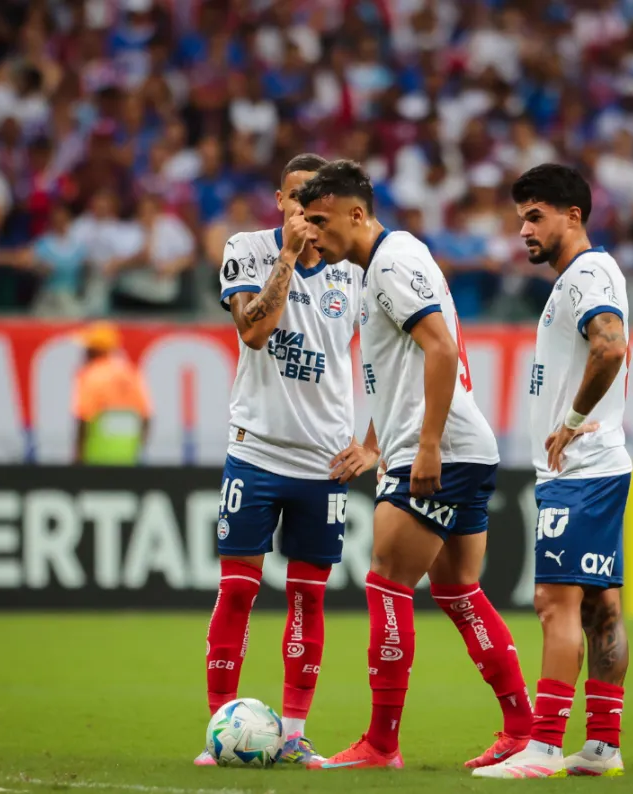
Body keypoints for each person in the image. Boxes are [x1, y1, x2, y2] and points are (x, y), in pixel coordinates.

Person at [297, 160, 533, 771]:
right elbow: (398, 371)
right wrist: (376, 442)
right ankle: (521, 729)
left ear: (357, 214)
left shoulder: (390, 264)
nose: (311, 234)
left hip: (439, 450)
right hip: (461, 446)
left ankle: (381, 743)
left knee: (386, 581)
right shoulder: (386, 262)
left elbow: (441, 348)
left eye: (320, 220)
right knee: (458, 590)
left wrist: (426, 446)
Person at [198, 154, 378, 767]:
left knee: (308, 599)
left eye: (317, 199)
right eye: (298, 197)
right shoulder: (247, 250)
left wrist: (373, 444)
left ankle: (295, 733)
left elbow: (392, 360)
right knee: (237, 592)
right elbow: (253, 332)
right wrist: (288, 257)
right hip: (255, 452)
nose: (307, 209)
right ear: (280, 200)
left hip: (324, 463)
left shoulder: (353, 272)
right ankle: (218, 729)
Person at [474, 164, 632, 779]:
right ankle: (602, 747)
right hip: (594, 467)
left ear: (573, 215)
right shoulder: (578, 279)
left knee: (553, 601)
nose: (524, 230)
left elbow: (610, 345)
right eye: (521, 219)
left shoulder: (587, 274)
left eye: (535, 216)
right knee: (599, 607)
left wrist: (570, 422)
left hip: (581, 470)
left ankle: (541, 748)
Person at [72, 322, 152, 465]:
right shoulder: (131, 373)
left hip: (95, 458)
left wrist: (78, 456)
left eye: (87, 348)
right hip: (128, 458)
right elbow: (146, 416)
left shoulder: (91, 375)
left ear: (94, 350)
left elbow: (83, 418)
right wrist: (140, 449)